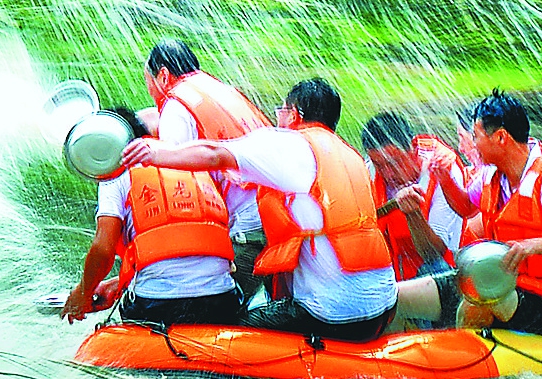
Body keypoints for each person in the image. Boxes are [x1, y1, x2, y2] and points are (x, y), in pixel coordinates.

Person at [123, 78, 398, 341]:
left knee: (227, 328)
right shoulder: (349, 156)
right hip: (382, 308)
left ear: (294, 114)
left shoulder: (289, 144)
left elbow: (215, 153)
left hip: (333, 315)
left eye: (281, 111)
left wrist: (157, 153)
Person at [397, 91, 542, 334]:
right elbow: (465, 208)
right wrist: (444, 178)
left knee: (476, 302)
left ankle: (464, 357)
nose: (472, 144)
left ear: (501, 137)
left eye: (476, 136)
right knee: (397, 297)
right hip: (495, 281)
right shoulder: (490, 174)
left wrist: (532, 247)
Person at [61, 110, 244, 327]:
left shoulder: (115, 176)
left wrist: (83, 292)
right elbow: (186, 252)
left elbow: (103, 249)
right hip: (221, 300)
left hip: (156, 306)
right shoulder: (191, 161)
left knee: (126, 309)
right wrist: (118, 283)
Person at [143, 41, 273, 294]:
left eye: (147, 79)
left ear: (163, 76)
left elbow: (178, 188)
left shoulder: (176, 106)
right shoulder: (221, 91)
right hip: (276, 218)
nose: (149, 89)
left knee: (211, 305)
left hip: (247, 232)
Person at [360, 111, 468, 281]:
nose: (388, 174)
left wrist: (413, 214)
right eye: (379, 165)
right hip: (391, 276)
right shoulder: (367, 171)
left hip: (444, 274)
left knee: (435, 269)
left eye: (394, 162)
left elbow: (435, 254)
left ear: (413, 148)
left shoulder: (442, 170)